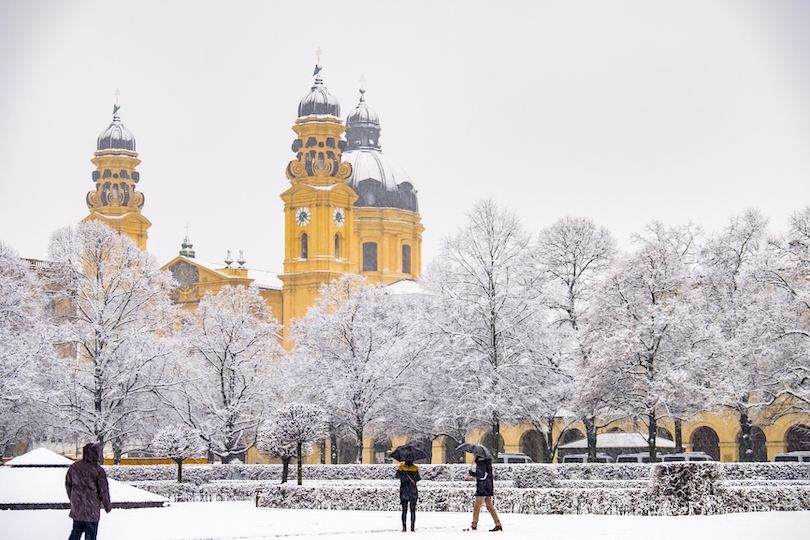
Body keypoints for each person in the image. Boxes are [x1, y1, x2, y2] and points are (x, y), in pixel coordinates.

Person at [65, 443, 112, 540]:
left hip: (78, 508)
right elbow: (103, 490)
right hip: (92, 510)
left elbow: (68, 485)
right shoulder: (98, 470)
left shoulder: (74, 467)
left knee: (75, 532)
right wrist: (107, 506)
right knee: (90, 535)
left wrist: (74, 499)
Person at [469, 455, 502, 531]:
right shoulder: (487, 462)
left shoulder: (481, 463)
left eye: (474, 454)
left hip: (482, 488)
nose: (473, 455)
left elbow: (482, 475)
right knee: (489, 506)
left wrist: (473, 474)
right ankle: (498, 523)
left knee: (476, 506)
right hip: (488, 487)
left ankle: (474, 525)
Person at [395, 460, 420, 531]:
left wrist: (400, 469)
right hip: (412, 491)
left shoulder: (401, 469)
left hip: (404, 491)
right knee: (412, 510)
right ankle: (412, 526)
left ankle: (404, 526)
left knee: (404, 510)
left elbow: (397, 476)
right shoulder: (415, 469)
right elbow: (418, 478)